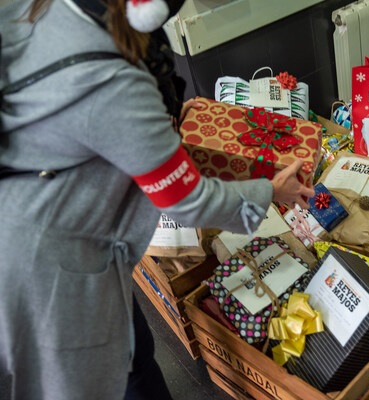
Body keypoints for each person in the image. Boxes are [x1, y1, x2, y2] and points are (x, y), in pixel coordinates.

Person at [0, 0, 315, 399]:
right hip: (51, 268)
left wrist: (160, 124)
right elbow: (187, 201)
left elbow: (82, 126)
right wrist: (273, 190)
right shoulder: (112, 82)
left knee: (133, 351)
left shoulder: (43, 9)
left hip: (36, 219)